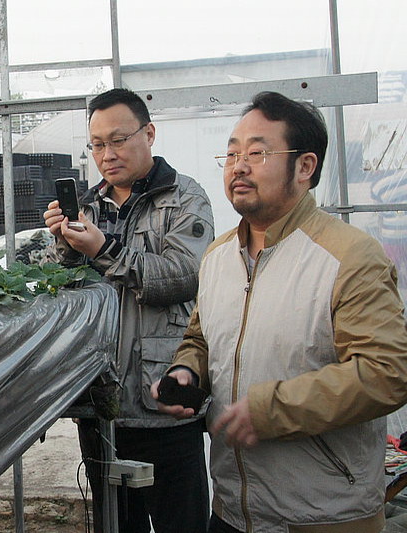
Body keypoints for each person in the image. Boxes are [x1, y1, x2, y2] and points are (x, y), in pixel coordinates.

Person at [153, 91, 407, 533]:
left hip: (323, 515)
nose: (239, 166)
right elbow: (201, 338)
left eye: (258, 153)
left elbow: (386, 373)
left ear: (305, 167)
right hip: (231, 511)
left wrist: (271, 409)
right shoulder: (218, 256)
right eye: (232, 154)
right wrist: (187, 372)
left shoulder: (349, 257)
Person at [43, 88, 214, 533]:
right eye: (97, 144)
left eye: (118, 140)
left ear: (149, 133)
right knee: (117, 523)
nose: (107, 155)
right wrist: (64, 248)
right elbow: (63, 292)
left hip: (164, 400)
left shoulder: (185, 197)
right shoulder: (88, 206)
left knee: (183, 522)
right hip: (102, 401)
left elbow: (184, 275)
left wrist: (104, 249)